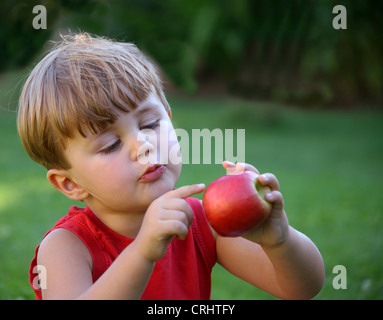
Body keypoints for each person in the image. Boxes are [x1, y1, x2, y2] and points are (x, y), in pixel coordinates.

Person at [18, 33, 325, 300]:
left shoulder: (202, 222)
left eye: (151, 123)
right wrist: (142, 253)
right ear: (70, 184)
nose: (143, 145)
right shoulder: (66, 247)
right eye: (111, 145)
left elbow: (301, 289)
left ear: (168, 115)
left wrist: (280, 241)